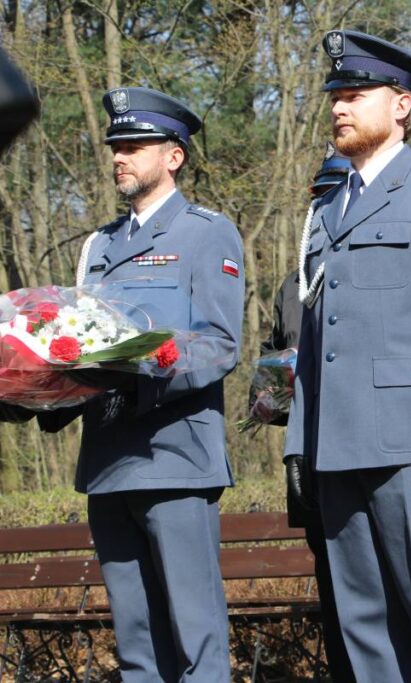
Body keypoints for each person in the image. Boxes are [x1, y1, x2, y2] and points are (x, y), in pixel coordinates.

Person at [285, 30, 411, 682]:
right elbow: (315, 340)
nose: (339, 107)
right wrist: (299, 442)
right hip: (338, 451)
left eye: (355, 93)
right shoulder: (326, 209)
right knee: (365, 632)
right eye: (334, 96)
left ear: (401, 104)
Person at [29, 87, 243, 681]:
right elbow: (75, 341)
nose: (119, 156)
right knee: (136, 642)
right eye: (115, 146)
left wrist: (142, 371)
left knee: (195, 637)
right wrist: (39, 391)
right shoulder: (98, 245)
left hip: (175, 459)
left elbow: (219, 343)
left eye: (133, 145)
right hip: (107, 462)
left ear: (173, 156)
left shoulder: (207, 233)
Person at [249, 144, 354, 682]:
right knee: (332, 579)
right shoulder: (294, 282)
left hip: (365, 449)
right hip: (308, 454)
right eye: (316, 197)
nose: (322, 206)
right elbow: (277, 350)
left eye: (333, 194)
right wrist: (267, 391)